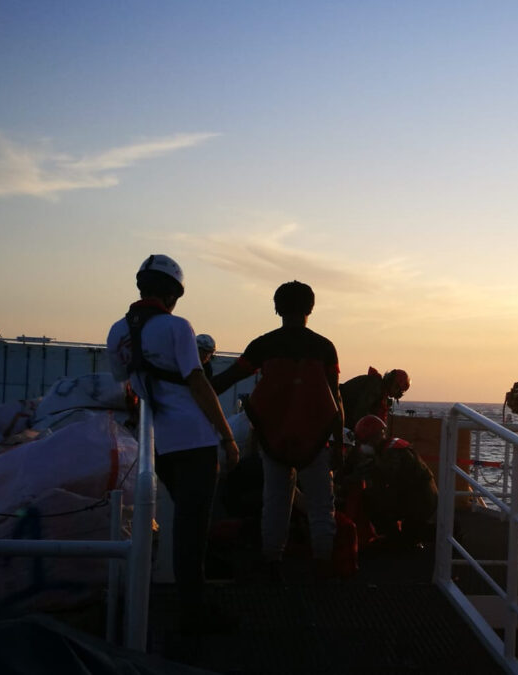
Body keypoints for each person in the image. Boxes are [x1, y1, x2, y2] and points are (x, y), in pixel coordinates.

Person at [106, 254, 239, 633]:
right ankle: (194, 615)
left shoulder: (117, 332)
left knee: (182, 525)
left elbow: (125, 381)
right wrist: (227, 436)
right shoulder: (177, 327)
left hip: (159, 444)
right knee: (191, 532)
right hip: (195, 442)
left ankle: (190, 605)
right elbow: (197, 382)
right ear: (173, 294)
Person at [211, 280, 343, 578]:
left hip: (273, 440)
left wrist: (193, 388)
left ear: (276, 308)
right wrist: (339, 443)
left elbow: (227, 380)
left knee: (275, 503)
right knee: (322, 506)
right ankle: (323, 566)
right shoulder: (324, 348)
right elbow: (335, 398)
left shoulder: (263, 345)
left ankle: (273, 563)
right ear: (311, 308)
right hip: (317, 440)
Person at [341, 414, 437, 549]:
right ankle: (399, 537)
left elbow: (389, 476)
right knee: (409, 532)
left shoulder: (393, 452)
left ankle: (396, 538)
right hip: (418, 499)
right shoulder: (390, 448)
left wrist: (371, 465)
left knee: (370, 501)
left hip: (419, 502)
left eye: (365, 442)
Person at [339, 367, 410, 425]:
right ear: (390, 380)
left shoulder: (381, 395)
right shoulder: (374, 386)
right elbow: (360, 414)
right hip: (339, 416)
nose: (396, 392)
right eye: (396, 387)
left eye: (399, 391)